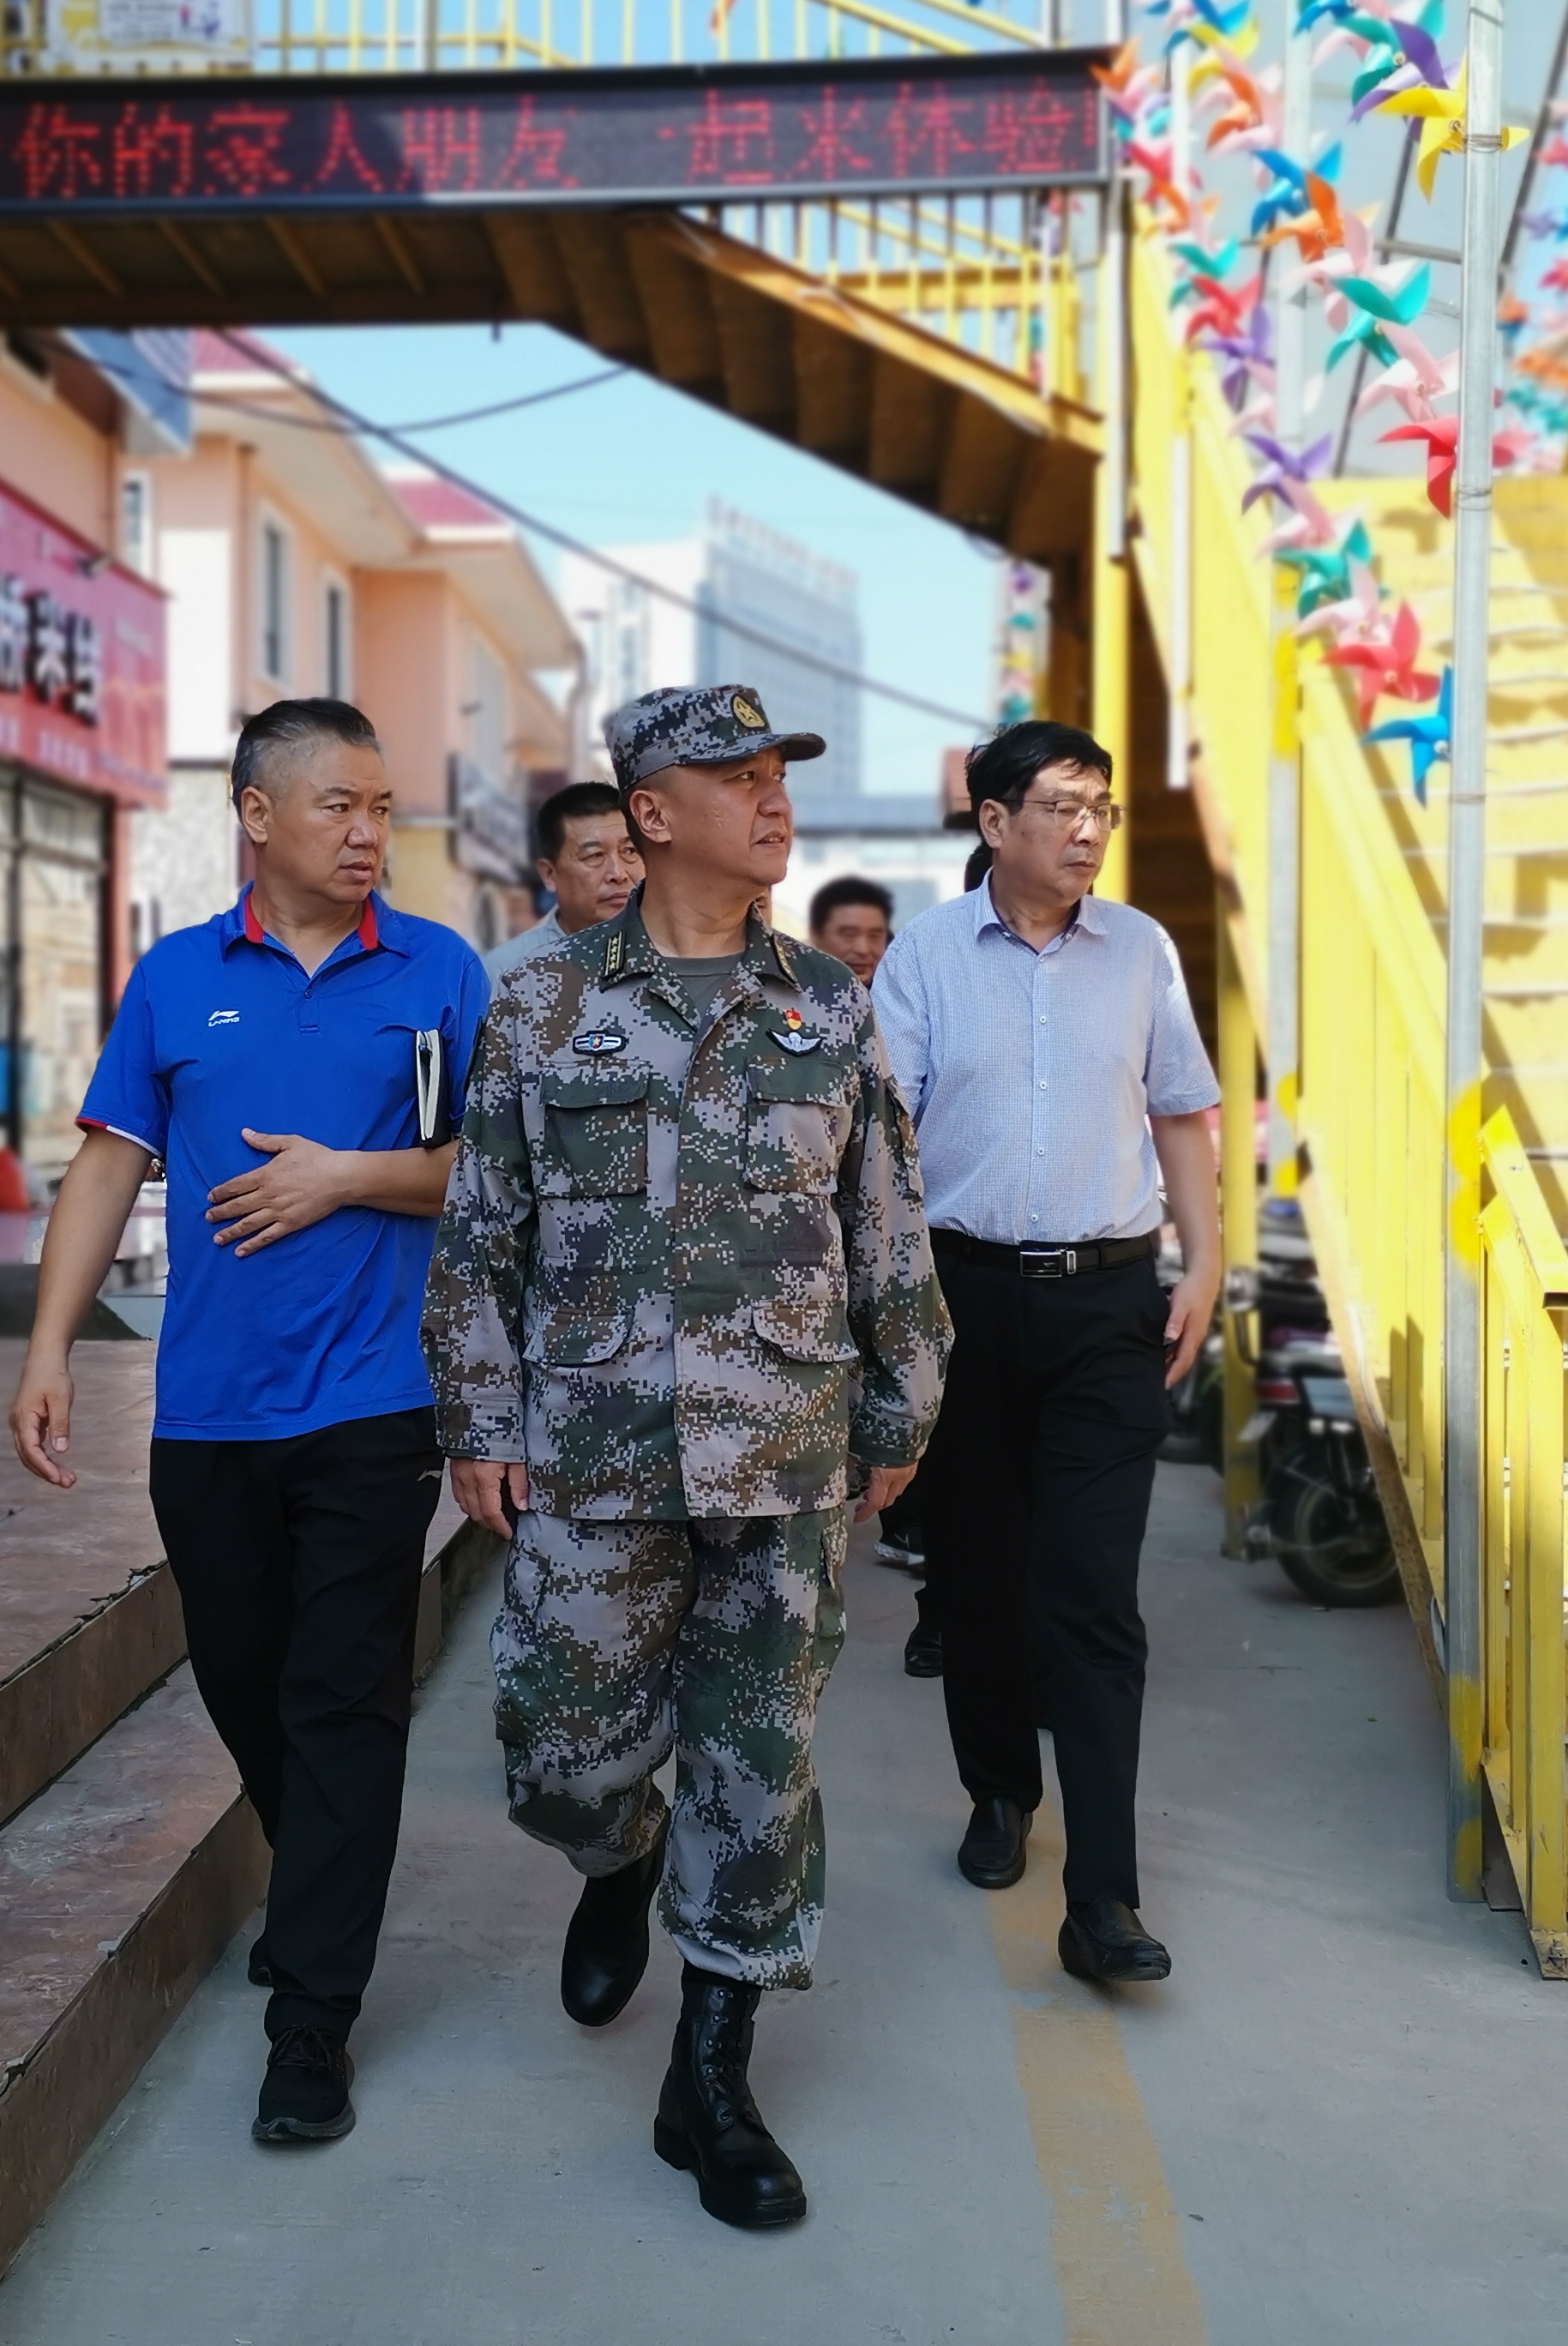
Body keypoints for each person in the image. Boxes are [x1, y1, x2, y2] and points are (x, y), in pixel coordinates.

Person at [428, 685, 948, 2231]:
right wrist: (478, 1419)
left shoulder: (828, 1002)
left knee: (758, 1765)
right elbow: (482, 1230)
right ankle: (616, 1855)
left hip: (784, 1452)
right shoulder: (543, 1005)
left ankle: (709, 2083)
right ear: (650, 813)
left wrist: (901, 1410)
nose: (774, 801)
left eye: (780, 774)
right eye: (738, 779)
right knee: (561, 1753)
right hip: (595, 1451)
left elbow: (884, 1222)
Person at [8, 698, 492, 2149]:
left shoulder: (437, 970)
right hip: (211, 1408)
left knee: (343, 1698)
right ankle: (319, 1874)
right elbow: (107, 1167)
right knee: (243, 1679)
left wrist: (347, 1175)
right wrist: (47, 1347)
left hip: (374, 1400)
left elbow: (494, 1168)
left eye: (381, 807)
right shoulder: (175, 977)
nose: (368, 833)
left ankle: (312, 2023)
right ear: (258, 815)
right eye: (341, 804)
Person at [871, 720, 1223, 1990]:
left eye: (1102, 809)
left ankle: (1104, 1898)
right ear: (994, 821)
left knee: (1090, 1594)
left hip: (1107, 1307)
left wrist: (1206, 1263)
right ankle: (998, 1789)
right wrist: (883, 1314)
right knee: (978, 1576)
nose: (1087, 832)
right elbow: (882, 1142)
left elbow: (1181, 1111)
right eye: (1063, 807)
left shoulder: (1140, 951)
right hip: (959, 1300)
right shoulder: (923, 956)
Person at [808, 874, 940, 1669]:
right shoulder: (806, 1006)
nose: (863, 949)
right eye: (846, 934)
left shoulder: (864, 1014)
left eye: (874, 935)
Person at [485, 779, 644, 985]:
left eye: (630, 851)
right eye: (594, 855)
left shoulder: (674, 955)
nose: (618, 873)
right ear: (550, 875)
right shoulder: (504, 974)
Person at [805, 874, 893, 986]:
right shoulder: (790, 990)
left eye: (874, 936)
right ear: (816, 936)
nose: (863, 950)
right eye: (849, 935)